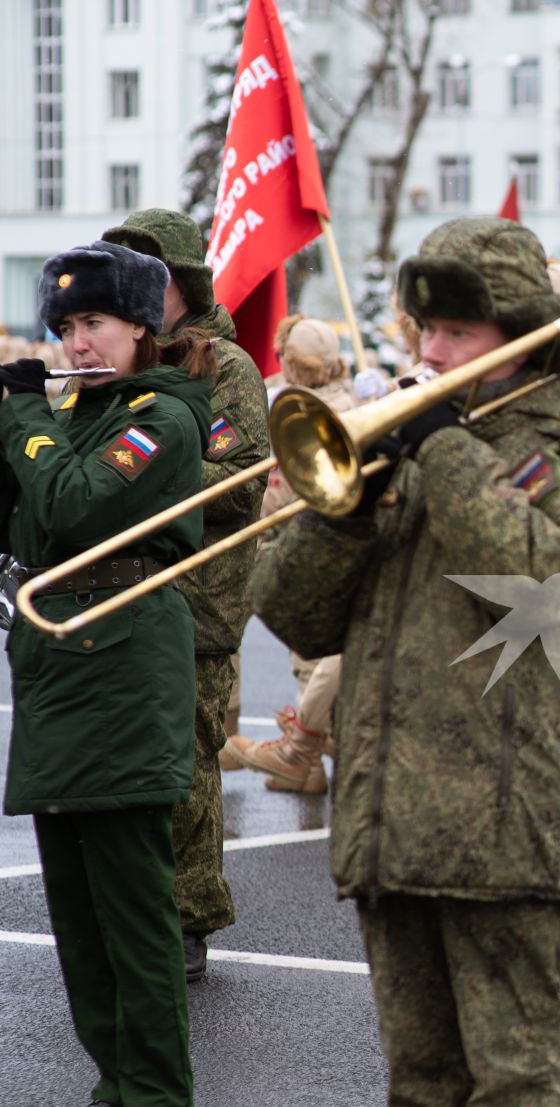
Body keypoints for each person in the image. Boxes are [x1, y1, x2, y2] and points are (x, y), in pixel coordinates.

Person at [252, 217, 560, 1107]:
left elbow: (528, 555)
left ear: (523, 340)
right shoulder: (403, 456)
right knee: (421, 1086)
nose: (434, 354)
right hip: (393, 826)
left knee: (514, 1089)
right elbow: (293, 613)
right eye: (430, 330)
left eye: (459, 333)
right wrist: (345, 509)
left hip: (503, 826)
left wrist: (443, 440)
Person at [0, 241, 212, 1107]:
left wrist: (25, 409)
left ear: (143, 328)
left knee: (133, 902)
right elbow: (7, 522)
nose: (80, 342)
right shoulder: (84, 413)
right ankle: (114, 1078)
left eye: (95, 323)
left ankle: (162, 1094)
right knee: (76, 901)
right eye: (65, 327)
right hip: (60, 659)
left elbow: (71, 507)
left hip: (124, 660)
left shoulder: (161, 419)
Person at [100, 210, 269, 983]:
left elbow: (241, 483)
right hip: (116, 588)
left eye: (145, 275)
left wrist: (141, 468)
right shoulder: (108, 357)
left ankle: (189, 917)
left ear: (179, 283)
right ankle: (133, 907)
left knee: (188, 762)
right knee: (121, 754)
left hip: (196, 596)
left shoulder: (225, 365)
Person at [224, 318, 360, 794]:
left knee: (312, 655)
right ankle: (307, 766)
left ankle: (303, 756)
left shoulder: (289, 409)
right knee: (310, 655)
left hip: (293, 541)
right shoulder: (353, 401)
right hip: (315, 539)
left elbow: (272, 491)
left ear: (288, 360)